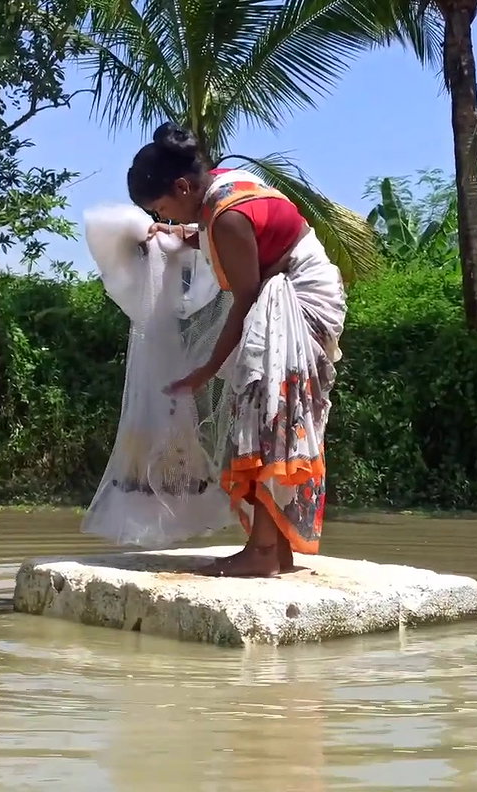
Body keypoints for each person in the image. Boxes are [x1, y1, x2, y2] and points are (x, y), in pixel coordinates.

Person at [127, 122, 347, 578]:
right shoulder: (223, 186)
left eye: (162, 208)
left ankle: (263, 551)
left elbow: (244, 299)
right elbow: (224, 237)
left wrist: (207, 368)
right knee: (269, 414)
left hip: (301, 301)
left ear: (182, 187)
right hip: (296, 292)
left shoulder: (227, 215)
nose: (165, 217)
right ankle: (275, 548)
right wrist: (180, 234)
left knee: (268, 413)